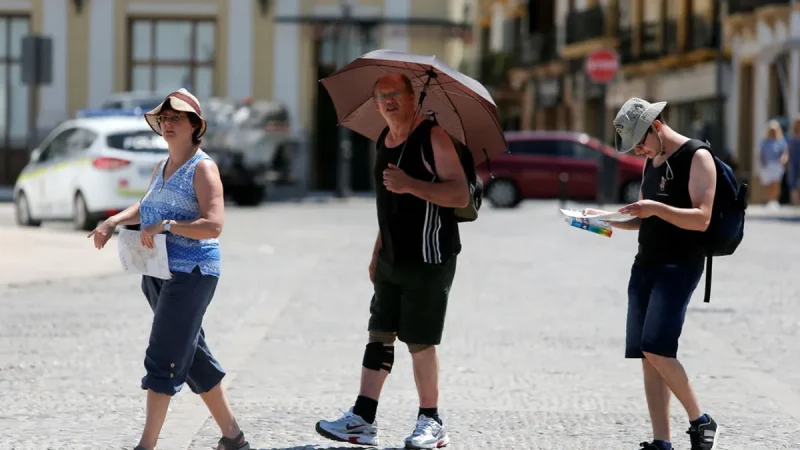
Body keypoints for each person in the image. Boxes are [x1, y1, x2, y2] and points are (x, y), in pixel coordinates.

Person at [87, 89, 250, 450]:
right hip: (158, 271)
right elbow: (146, 207)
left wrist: (169, 225)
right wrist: (112, 222)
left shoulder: (203, 167)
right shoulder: (162, 167)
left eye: (176, 118)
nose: (168, 124)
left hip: (192, 272)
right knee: (195, 359)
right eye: (163, 119)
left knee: (163, 356)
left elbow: (214, 225)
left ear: (195, 125)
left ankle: (147, 446)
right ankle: (234, 439)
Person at [315, 73, 469, 449]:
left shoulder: (433, 137)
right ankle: (362, 419)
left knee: (420, 340)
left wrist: (411, 184)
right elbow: (390, 204)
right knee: (379, 332)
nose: (387, 101)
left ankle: (431, 421)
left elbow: (460, 194)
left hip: (429, 254)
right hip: (391, 256)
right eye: (380, 95)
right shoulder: (385, 139)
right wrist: (377, 249)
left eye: (393, 94)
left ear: (412, 96)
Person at [583, 98, 720, 450]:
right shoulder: (651, 162)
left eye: (640, 142)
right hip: (645, 264)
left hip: (679, 266)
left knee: (658, 348)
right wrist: (604, 218)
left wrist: (654, 207)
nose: (638, 150)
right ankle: (662, 441)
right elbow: (641, 219)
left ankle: (702, 422)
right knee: (647, 356)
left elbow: (702, 218)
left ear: (656, 126)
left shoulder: (697, 157)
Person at [757, 119, 788, 208]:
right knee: (768, 184)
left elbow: (785, 152)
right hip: (767, 165)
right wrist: (762, 162)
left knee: (775, 183)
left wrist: (783, 159)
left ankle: (774, 200)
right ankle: (769, 200)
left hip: (777, 165)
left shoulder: (781, 140)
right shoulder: (765, 141)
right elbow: (761, 153)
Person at [787, 114, 800, 205]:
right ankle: (795, 202)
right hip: (793, 161)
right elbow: (788, 149)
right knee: (793, 181)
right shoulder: (791, 136)